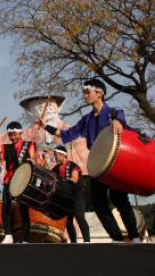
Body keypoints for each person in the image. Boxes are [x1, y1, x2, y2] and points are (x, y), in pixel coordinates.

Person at [38, 79, 140, 243]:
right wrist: (46, 126)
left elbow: (121, 120)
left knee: (119, 198)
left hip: (115, 163)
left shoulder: (113, 112)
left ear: (99, 93)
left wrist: (117, 121)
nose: (84, 95)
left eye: (88, 92)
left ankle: (134, 236)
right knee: (99, 204)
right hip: (97, 165)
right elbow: (66, 133)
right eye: (84, 92)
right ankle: (117, 238)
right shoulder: (86, 120)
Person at [0, 121, 37, 244]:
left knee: (24, 209)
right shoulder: (5, 147)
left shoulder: (29, 145)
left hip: (23, 179)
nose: (13, 137)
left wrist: (31, 161)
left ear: (21, 133)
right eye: (11, 135)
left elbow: (34, 159)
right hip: (9, 179)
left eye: (15, 134)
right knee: (6, 208)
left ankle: (26, 238)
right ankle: (8, 235)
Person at [51, 145, 90, 243]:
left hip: (77, 195)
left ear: (62, 155)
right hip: (66, 197)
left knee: (80, 217)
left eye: (56, 155)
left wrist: (61, 181)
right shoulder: (55, 169)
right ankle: (73, 242)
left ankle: (87, 241)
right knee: (68, 221)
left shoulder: (73, 165)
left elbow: (74, 179)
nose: (55, 157)